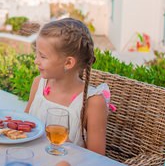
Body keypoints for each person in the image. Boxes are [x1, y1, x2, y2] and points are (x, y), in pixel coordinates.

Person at [25, 18, 111, 155]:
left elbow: (98, 158)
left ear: (68, 63)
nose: (36, 61)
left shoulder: (92, 102)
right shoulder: (38, 84)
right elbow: (26, 125)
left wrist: (70, 148)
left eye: (43, 56)